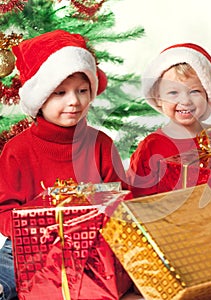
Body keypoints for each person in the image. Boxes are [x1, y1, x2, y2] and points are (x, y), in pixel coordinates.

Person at [0, 30, 130, 300]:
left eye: (82, 91)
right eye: (60, 92)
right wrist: (37, 230)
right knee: (8, 281)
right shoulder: (17, 151)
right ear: (40, 99)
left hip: (91, 245)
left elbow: (121, 201)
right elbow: (4, 211)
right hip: (30, 245)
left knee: (114, 279)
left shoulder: (100, 144)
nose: (74, 101)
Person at [127, 43, 211, 198]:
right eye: (173, 92)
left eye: (194, 91)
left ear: (208, 95)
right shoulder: (151, 147)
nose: (185, 101)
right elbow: (139, 201)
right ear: (158, 99)